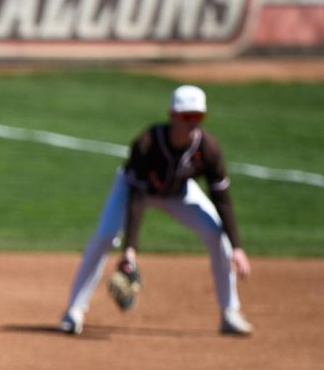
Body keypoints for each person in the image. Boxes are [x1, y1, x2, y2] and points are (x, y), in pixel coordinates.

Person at [58, 84, 253, 336]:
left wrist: (237, 247)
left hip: (178, 193)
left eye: (199, 117)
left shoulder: (208, 149)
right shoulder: (147, 143)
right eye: (187, 116)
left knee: (217, 234)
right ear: (172, 115)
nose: (193, 123)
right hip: (134, 190)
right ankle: (74, 310)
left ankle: (230, 313)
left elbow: (222, 198)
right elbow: (137, 198)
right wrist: (130, 250)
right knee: (105, 235)